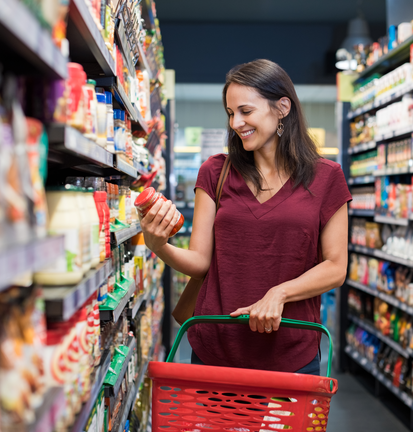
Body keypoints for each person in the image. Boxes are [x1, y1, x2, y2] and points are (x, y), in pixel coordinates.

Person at [139, 59, 351, 375]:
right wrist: (159, 246)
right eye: (230, 113)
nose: (236, 123)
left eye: (246, 111)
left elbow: (335, 267)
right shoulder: (215, 171)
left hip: (291, 352)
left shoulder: (326, 177)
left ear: (282, 108)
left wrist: (279, 293)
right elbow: (200, 261)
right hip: (217, 349)